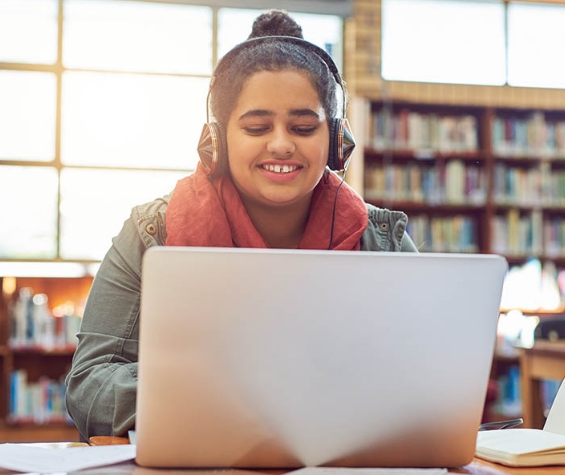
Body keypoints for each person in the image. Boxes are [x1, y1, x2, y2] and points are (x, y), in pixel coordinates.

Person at [65, 9, 418, 442]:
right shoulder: (150, 233)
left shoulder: (383, 242)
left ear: (336, 141)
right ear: (216, 141)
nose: (282, 144)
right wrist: (223, 383)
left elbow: (428, 378)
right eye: (256, 127)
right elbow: (89, 389)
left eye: (303, 127)